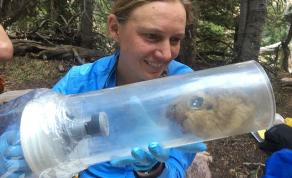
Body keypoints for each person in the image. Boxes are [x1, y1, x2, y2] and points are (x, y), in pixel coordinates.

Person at [0, 0, 206, 177]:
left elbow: (176, 169)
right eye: (152, 36)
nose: (166, 53)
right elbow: (37, 136)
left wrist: (153, 170)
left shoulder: (187, 90)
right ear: (115, 28)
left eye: (175, 40)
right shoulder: (80, 83)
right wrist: (20, 149)